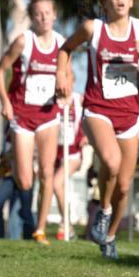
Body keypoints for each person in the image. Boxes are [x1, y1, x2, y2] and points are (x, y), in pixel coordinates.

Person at [55, 0, 139, 259]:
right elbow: (65, 49)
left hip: (130, 114)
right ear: (104, 2)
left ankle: (110, 235)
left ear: (132, 0)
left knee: (125, 185)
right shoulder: (93, 28)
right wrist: (61, 74)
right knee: (111, 162)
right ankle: (103, 210)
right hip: (97, 109)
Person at [0, 0, 64, 245]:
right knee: (24, 178)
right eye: (38, 14)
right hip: (21, 115)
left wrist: (65, 90)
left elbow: (67, 76)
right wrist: (5, 103)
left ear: (55, 16)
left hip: (48, 115)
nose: (43, 18)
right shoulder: (23, 41)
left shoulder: (61, 44)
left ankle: (39, 229)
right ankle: (26, 209)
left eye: (48, 13)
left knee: (47, 172)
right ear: (32, 18)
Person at [53, 88, 87, 240]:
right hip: (53, 153)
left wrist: (87, 136)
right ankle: (41, 228)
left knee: (56, 183)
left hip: (73, 153)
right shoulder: (51, 99)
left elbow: (93, 116)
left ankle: (66, 223)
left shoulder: (79, 100)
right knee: (46, 188)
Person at [0, 126, 35, 239]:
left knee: (23, 210)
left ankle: (29, 237)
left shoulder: (26, 125)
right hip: (8, 175)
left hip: (25, 174)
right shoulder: (7, 128)